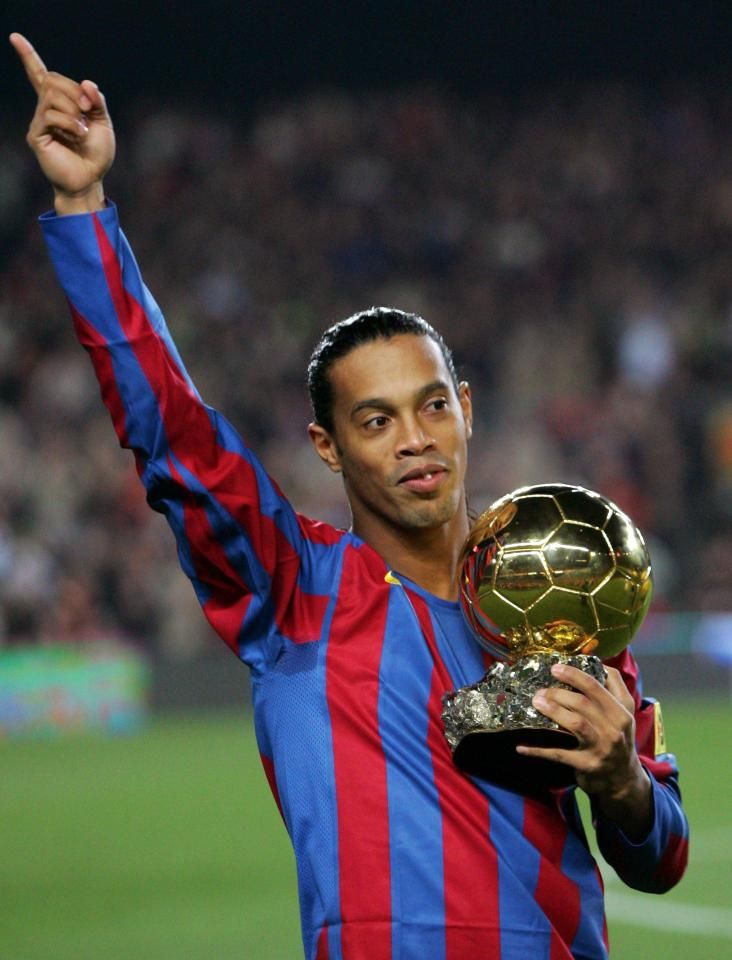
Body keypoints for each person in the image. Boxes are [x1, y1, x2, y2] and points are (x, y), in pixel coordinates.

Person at [10, 33, 688, 960]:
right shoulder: (293, 589)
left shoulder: (562, 595)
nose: (414, 438)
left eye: (433, 406)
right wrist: (84, 206)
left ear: (466, 411)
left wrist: (623, 784)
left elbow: (661, 855)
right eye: (375, 420)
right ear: (327, 446)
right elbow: (169, 429)